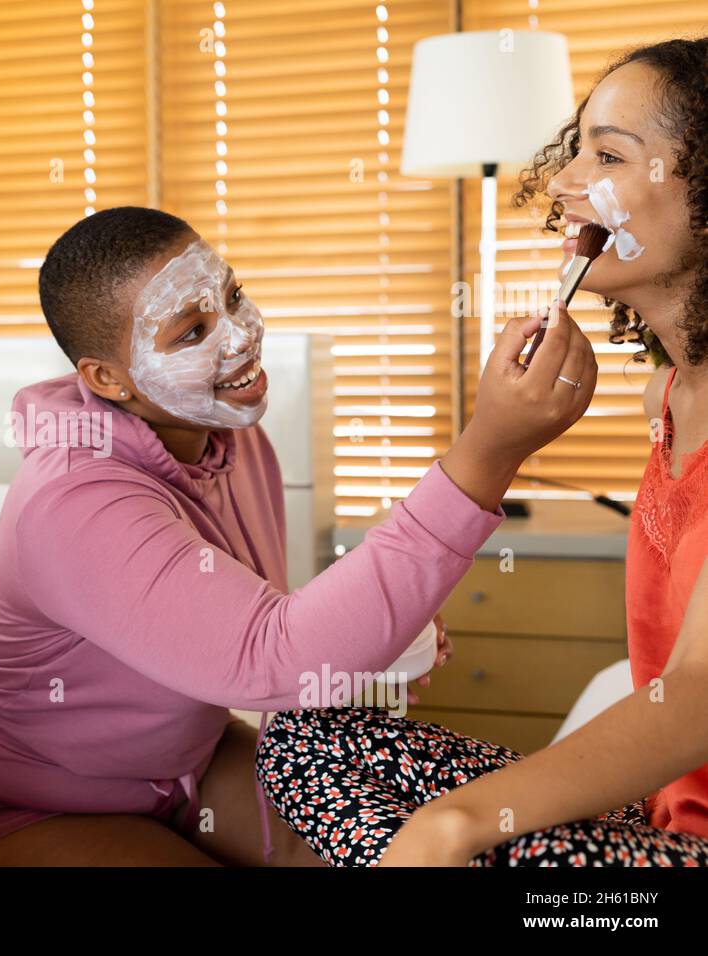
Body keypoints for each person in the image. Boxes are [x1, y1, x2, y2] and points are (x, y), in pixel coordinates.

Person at [0, 204, 596, 865]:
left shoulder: (232, 438)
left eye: (233, 295)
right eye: (192, 331)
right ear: (108, 378)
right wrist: (490, 451)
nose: (241, 332)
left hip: (179, 761)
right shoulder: (72, 501)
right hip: (4, 793)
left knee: (404, 847)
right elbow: (273, 658)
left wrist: (374, 639)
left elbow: (253, 619)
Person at [259, 38, 708, 867]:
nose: (567, 184)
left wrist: (456, 823)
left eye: (607, 155)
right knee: (304, 741)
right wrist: (497, 440)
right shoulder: (667, 399)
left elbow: (696, 695)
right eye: (575, 149)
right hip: (662, 819)